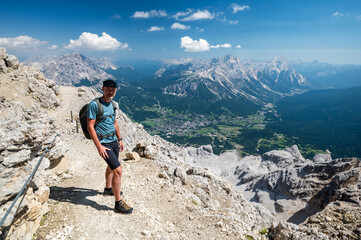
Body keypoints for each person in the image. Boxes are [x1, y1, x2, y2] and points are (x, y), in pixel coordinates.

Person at [87, 79, 133, 214]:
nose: (110, 91)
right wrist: (99, 146)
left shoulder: (113, 104)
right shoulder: (94, 105)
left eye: (113, 89)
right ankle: (118, 203)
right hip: (104, 143)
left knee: (112, 167)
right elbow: (90, 126)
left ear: (116, 90)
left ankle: (108, 189)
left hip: (113, 141)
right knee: (118, 170)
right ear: (102, 89)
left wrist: (120, 139)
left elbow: (115, 122)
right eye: (108, 89)